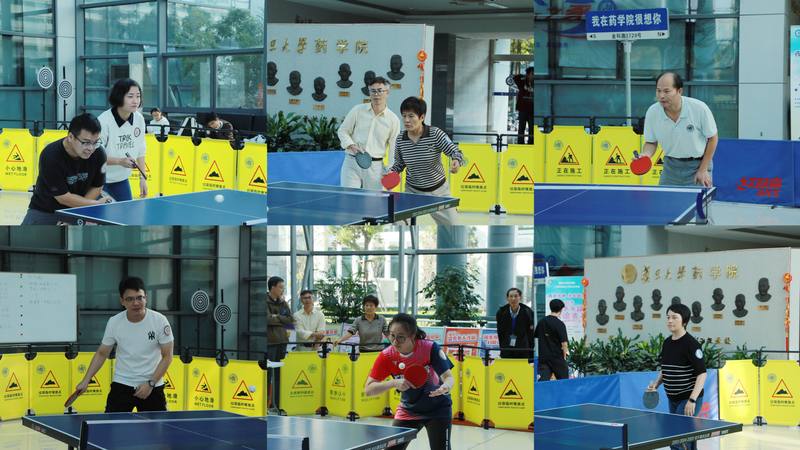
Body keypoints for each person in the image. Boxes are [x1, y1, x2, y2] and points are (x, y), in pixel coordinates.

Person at [73, 277, 173, 412]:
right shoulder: (114, 322)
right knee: (112, 425)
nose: (136, 303)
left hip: (152, 385)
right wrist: (86, 380)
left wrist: (151, 383)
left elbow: (167, 356)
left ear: (146, 298)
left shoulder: (160, 321)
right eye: (130, 299)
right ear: (122, 301)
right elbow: (102, 353)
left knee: (157, 426)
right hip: (123, 384)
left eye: (139, 298)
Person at [365, 313, 455, 450]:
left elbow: (449, 377)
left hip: (438, 409)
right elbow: (368, 390)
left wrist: (446, 387)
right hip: (408, 410)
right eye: (392, 335)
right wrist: (393, 383)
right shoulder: (387, 356)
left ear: (413, 336)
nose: (395, 341)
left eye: (401, 337)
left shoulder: (429, 348)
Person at [384, 96, 463, 225]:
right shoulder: (400, 139)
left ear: (422, 117)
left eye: (411, 116)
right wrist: (392, 171)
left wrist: (457, 161)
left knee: (454, 229)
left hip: (439, 192)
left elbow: (456, 152)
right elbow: (399, 163)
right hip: (412, 192)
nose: (406, 120)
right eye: (404, 116)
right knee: (397, 221)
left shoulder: (435, 134)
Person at [21, 114, 110, 225]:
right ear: (70, 137)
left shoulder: (99, 153)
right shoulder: (51, 156)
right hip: (45, 210)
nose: (91, 148)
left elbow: (97, 186)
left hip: (79, 208)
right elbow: (63, 197)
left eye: (95, 142)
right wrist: (95, 204)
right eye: (86, 143)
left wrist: (76, 214)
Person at [635, 72, 718, 187]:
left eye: (666, 91)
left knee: (698, 199)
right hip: (670, 168)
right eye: (658, 91)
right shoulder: (652, 112)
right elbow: (651, 142)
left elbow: (713, 138)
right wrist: (645, 155)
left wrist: (703, 169)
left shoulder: (699, 108)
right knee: (664, 199)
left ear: (679, 91)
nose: (661, 96)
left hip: (698, 166)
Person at [646, 303, 707, 450]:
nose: (670, 321)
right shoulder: (667, 343)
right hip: (672, 399)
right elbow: (665, 368)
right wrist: (656, 384)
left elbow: (702, 373)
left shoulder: (691, 344)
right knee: (685, 439)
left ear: (684, 321)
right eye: (668, 317)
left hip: (688, 399)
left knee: (677, 441)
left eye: (674, 317)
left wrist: (692, 400)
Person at [337, 76, 401, 190]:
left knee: (373, 200)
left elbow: (394, 148)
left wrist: (391, 168)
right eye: (373, 91)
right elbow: (343, 131)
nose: (376, 94)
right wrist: (352, 146)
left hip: (376, 167)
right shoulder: (357, 110)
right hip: (352, 162)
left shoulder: (393, 119)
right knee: (349, 197)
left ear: (387, 93)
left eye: (380, 91)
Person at [97, 78, 148, 201]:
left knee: (127, 212)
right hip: (99, 180)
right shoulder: (104, 122)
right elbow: (96, 157)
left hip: (121, 179)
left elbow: (141, 150)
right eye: (130, 96)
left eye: (138, 96)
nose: (135, 101)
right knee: (97, 212)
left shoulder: (139, 119)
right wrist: (120, 161)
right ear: (119, 97)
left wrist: (142, 177)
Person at [267, 276, 292, 413]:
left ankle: (278, 404)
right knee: (267, 374)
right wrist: (280, 319)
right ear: (273, 288)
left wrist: (277, 316)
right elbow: (267, 320)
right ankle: (265, 404)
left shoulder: (283, 302)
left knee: (279, 375)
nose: (283, 290)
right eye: (281, 287)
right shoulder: (264, 301)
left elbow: (290, 320)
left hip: (282, 342)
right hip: (270, 342)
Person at [534, 299, 569, 381]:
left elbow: (538, 337)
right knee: (563, 382)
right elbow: (564, 344)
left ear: (550, 308)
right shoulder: (560, 324)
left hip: (543, 357)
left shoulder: (541, 322)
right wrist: (564, 358)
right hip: (557, 357)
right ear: (561, 310)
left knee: (542, 382)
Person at [495, 288, 535, 359]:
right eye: (511, 296)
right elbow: (500, 332)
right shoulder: (501, 312)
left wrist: (530, 350)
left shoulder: (528, 312)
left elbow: (530, 334)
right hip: (506, 349)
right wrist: (502, 347)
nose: (513, 299)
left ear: (520, 298)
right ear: (507, 298)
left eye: (516, 296)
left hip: (522, 349)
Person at [513, 66, 534, 145]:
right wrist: (523, 76)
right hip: (523, 109)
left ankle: (531, 142)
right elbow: (515, 78)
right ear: (528, 75)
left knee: (532, 128)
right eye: (532, 74)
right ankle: (520, 143)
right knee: (521, 127)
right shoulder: (522, 83)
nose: (533, 76)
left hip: (532, 110)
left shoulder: (536, 83)